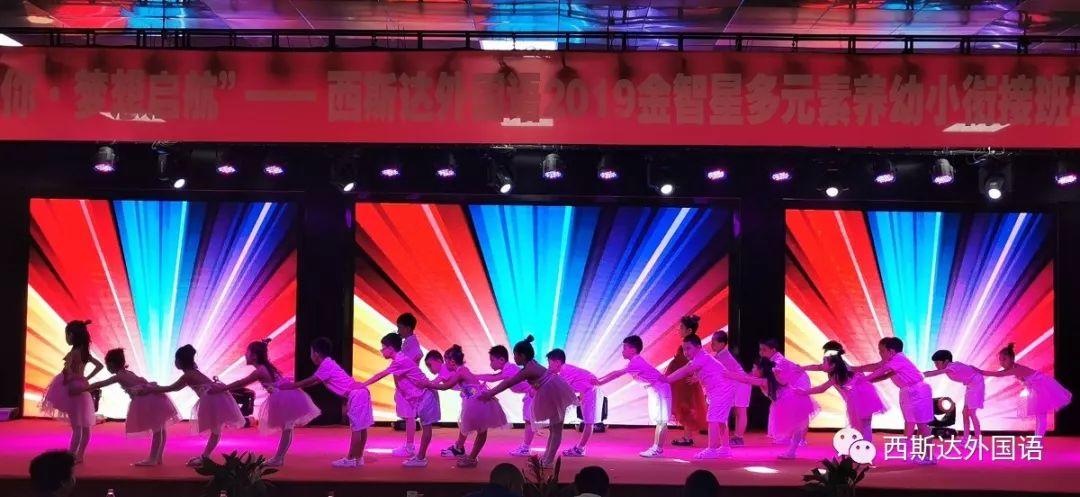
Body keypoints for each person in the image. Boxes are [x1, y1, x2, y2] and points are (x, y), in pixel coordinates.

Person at [211, 339, 321, 467]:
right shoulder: (265, 368)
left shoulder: (260, 370)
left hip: (283, 396)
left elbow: (242, 383)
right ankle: (279, 457)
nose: (245, 355)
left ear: (254, 356)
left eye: (247, 352)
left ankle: (278, 458)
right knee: (287, 428)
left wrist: (223, 388)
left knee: (287, 428)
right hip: (286, 395)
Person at [138, 345, 244, 467]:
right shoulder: (192, 373)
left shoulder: (188, 375)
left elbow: (173, 388)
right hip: (216, 398)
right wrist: (155, 388)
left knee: (216, 430)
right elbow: (175, 387)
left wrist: (152, 389)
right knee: (216, 430)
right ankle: (205, 456)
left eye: (176, 359)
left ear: (180, 361)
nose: (175, 362)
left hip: (213, 399)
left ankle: (205, 457)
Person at [478, 335, 576, 468]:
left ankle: (548, 461)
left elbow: (508, 382)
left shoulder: (528, 369)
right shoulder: (531, 364)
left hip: (555, 392)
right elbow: (540, 377)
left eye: (515, 355)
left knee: (556, 430)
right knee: (554, 429)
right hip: (552, 391)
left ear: (522, 356)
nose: (514, 358)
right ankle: (547, 459)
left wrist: (490, 393)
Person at [279, 337, 374, 468]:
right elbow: (314, 381)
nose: (310, 355)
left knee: (357, 428)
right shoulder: (328, 364)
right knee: (361, 427)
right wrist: (293, 384)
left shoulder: (326, 365)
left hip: (357, 394)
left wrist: (290, 386)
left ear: (316, 354)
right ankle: (358, 457)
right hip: (361, 392)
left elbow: (310, 380)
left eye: (311, 352)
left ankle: (351, 458)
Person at [80, 348, 180, 466]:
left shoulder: (119, 376)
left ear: (111, 364)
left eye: (107, 364)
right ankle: (158, 457)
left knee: (157, 430)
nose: (107, 367)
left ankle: (153, 459)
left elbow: (101, 383)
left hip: (147, 401)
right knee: (160, 428)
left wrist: (83, 389)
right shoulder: (128, 373)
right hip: (155, 399)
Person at [359, 333, 440, 466]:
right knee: (425, 426)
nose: (381, 350)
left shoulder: (400, 361)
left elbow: (381, 375)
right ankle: (419, 456)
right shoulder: (400, 360)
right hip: (422, 398)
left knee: (426, 428)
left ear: (391, 348)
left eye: (383, 348)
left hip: (426, 396)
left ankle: (421, 458)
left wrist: (363, 384)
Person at [853, 337, 934, 463]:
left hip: (918, 390)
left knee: (922, 424)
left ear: (891, 351)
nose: (880, 353)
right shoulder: (892, 360)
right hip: (908, 391)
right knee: (912, 421)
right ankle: (918, 452)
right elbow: (877, 367)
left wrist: (864, 379)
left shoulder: (898, 359)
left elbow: (881, 371)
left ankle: (928, 456)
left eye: (882, 351)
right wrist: (856, 370)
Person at [425, 344, 507, 468]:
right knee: (480, 430)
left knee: (481, 430)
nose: (444, 365)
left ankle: (471, 458)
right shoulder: (461, 370)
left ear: (452, 362)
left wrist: (427, 384)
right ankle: (470, 456)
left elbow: (446, 386)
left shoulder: (461, 371)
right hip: (475, 400)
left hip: (477, 401)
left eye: (445, 361)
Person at [596, 335, 672, 458]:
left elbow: (617, 374)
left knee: (662, 421)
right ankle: (656, 447)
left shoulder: (636, 362)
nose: (622, 351)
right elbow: (616, 372)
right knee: (659, 420)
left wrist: (599, 382)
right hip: (654, 389)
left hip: (660, 389)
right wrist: (598, 380)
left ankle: (658, 449)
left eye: (625, 348)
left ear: (633, 349)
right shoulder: (634, 361)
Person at [40, 320, 103, 463]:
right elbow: (99, 366)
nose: (66, 338)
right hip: (83, 388)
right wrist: (86, 378)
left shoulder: (74, 352)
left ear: (72, 335)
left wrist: (67, 380)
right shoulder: (84, 352)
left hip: (73, 388)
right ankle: (79, 455)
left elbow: (68, 372)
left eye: (67, 335)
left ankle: (71, 456)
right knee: (85, 426)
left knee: (77, 427)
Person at [979, 343, 1072, 437]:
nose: (1002, 362)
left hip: (1041, 387)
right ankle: (1037, 441)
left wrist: (979, 371)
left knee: (1041, 417)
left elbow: (998, 374)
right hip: (1036, 389)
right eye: (1000, 360)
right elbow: (1001, 373)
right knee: (1039, 417)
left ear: (1012, 359)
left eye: (1004, 359)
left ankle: (1037, 441)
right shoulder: (1014, 368)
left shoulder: (1015, 369)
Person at [665, 334, 734, 459]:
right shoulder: (700, 358)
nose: (685, 352)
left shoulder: (701, 358)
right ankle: (725, 448)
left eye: (688, 348)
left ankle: (712, 450)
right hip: (721, 390)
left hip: (722, 390)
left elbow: (685, 370)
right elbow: (690, 369)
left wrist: (666, 379)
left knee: (713, 418)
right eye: (684, 349)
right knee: (720, 420)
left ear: (698, 347)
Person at [802, 341, 885, 442]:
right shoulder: (841, 364)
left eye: (824, 360)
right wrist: (803, 368)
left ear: (832, 363)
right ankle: (865, 447)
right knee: (865, 425)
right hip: (867, 394)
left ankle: (862, 448)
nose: (822, 364)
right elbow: (819, 367)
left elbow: (821, 388)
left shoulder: (837, 374)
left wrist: (804, 392)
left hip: (857, 399)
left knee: (860, 427)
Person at [474, 345, 536, 457]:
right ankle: (525, 447)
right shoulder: (507, 369)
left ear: (502, 360)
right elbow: (492, 376)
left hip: (534, 392)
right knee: (529, 420)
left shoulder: (510, 369)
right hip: (531, 393)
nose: (491, 364)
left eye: (492, 360)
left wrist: (475, 377)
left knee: (529, 420)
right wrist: (475, 377)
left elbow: (493, 378)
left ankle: (526, 448)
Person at [546, 349, 601, 457]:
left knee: (589, 422)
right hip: (585, 391)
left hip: (590, 391)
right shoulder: (564, 371)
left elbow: (563, 391)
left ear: (557, 362)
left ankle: (580, 449)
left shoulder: (565, 371)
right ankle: (580, 448)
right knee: (587, 422)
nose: (548, 366)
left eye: (549, 363)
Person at [924, 349, 984, 442]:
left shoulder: (953, 367)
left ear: (946, 361)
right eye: (935, 363)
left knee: (971, 413)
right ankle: (966, 438)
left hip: (976, 384)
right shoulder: (951, 367)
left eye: (937, 362)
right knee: (965, 413)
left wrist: (920, 375)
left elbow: (935, 373)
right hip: (971, 385)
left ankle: (977, 438)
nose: (936, 365)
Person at [666, 315, 708, 447]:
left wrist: (697, 376)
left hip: (686, 382)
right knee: (684, 407)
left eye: (681, 327)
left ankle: (687, 437)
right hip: (682, 382)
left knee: (686, 407)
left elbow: (695, 364)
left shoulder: (691, 346)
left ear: (689, 330)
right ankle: (687, 436)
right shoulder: (685, 345)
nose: (679, 330)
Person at [710, 330, 749, 446]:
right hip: (736, 384)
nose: (712, 345)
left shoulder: (724, 356)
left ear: (722, 344)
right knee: (737, 411)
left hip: (742, 384)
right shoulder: (720, 355)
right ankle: (735, 437)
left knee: (740, 410)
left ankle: (739, 438)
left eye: (714, 342)